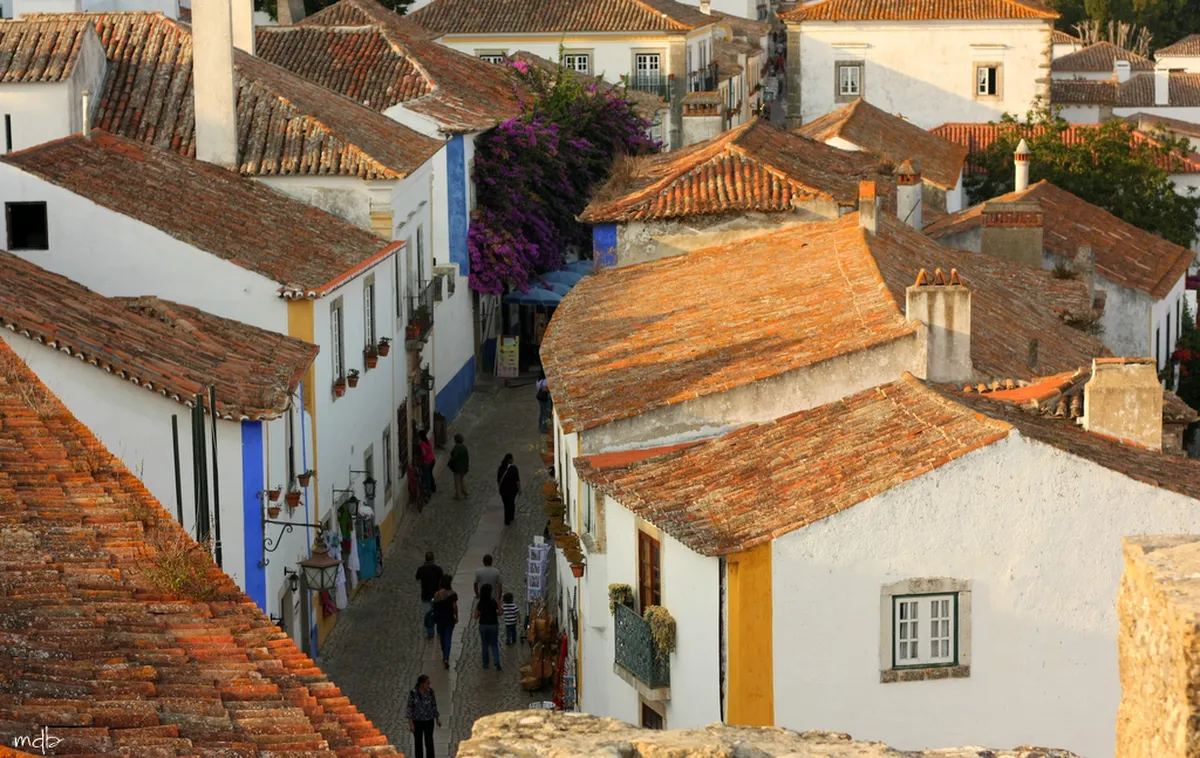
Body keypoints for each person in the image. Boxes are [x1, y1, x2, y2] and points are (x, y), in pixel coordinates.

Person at [405, 674, 441, 758]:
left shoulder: (431, 692)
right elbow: (410, 708)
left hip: (429, 720)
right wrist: (411, 724)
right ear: (421, 684)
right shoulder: (413, 693)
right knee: (418, 743)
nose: (428, 685)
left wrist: (437, 719)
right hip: (417, 721)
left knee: (429, 741)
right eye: (427, 683)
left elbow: (433, 705)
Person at [414, 552, 443, 640]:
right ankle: (439, 631)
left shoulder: (421, 569)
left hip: (426, 595)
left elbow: (417, 578)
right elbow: (441, 580)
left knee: (428, 613)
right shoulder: (438, 569)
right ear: (433, 559)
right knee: (438, 613)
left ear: (425, 559)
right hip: (437, 595)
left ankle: (430, 633)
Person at [431, 575, 458, 669]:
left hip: (439, 618)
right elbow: (454, 607)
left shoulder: (437, 594)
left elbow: (434, 606)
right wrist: (456, 616)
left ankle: (444, 653)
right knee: (448, 637)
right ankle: (446, 657)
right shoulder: (453, 594)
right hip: (449, 617)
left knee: (442, 637)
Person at [475, 584, 502, 670]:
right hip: (493, 625)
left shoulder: (480, 603)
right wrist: (497, 610)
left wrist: (481, 613)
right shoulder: (494, 602)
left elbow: (476, 616)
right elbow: (501, 612)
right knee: (494, 644)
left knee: (485, 645)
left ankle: (486, 664)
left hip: (483, 625)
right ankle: (497, 661)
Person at [497, 453, 520, 525]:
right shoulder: (514, 468)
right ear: (510, 460)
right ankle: (511, 517)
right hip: (512, 490)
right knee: (511, 503)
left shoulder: (501, 468)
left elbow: (498, 480)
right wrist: (519, 489)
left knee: (506, 505)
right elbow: (517, 480)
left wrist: (499, 489)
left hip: (503, 490)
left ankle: (507, 519)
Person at [448, 433, 470, 500]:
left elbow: (454, 457)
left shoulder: (457, 448)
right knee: (461, 480)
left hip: (458, 468)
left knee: (457, 482)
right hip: (464, 468)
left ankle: (458, 495)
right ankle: (465, 491)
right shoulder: (464, 447)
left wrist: (450, 461)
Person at [418, 429, 436, 495]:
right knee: (430, 474)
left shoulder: (422, 444)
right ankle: (433, 487)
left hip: (427, 462)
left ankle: (428, 490)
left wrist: (420, 456)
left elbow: (424, 454)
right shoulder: (429, 441)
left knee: (427, 476)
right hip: (432, 460)